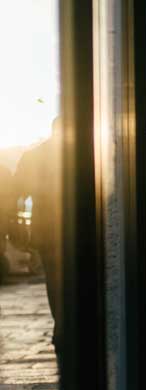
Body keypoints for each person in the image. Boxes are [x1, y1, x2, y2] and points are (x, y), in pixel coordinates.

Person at [14, 118, 63, 356]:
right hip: (74, 231)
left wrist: (17, 230)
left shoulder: (33, 156)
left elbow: (17, 194)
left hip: (46, 231)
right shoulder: (83, 154)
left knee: (54, 281)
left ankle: (61, 325)